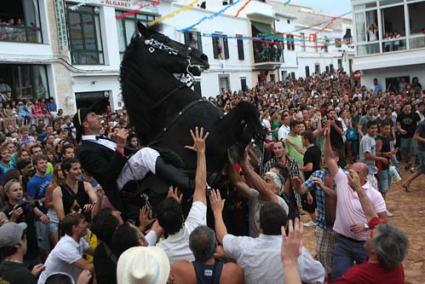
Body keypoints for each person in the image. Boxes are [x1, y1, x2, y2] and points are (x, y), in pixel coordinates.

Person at [74, 103, 194, 219]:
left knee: (153, 146)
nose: (98, 117)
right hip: (117, 183)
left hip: (124, 167)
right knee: (145, 154)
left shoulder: (100, 139)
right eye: (93, 115)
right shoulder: (85, 151)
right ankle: (187, 184)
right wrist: (120, 146)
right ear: (85, 124)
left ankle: (183, 171)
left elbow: (126, 152)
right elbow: (108, 175)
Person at [210, 189, 325, 284]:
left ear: (259, 225)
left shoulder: (244, 246)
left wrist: (217, 212)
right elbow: (319, 276)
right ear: (285, 226)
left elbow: (222, 236)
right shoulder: (296, 252)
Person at [323, 126, 388, 279]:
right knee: (339, 275)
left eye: (354, 173)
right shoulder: (341, 180)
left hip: (365, 246)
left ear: (364, 176)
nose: (349, 174)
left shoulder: (374, 195)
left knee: (364, 278)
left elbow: (384, 221)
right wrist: (326, 139)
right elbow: (329, 159)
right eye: (349, 171)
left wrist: (366, 226)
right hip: (342, 242)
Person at [334, 170, 407, 283]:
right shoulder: (396, 266)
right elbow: (370, 214)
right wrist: (358, 188)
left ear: (374, 250)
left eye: (371, 235)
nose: (369, 232)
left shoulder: (357, 275)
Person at [156, 127, 208, 263]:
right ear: (182, 215)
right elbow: (201, 187)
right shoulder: (196, 226)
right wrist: (201, 152)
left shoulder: (160, 251)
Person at [230, 147, 289, 237]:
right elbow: (237, 182)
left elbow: (265, 189)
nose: (262, 182)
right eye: (263, 179)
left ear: (276, 189)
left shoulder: (280, 203)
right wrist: (230, 159)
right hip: (254, 247)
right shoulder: (255, 196)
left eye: (267, 180)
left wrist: (245, 165)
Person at [170, 226, 244, 284]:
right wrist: (226, 255)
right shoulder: (233, 271)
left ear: (190, 248)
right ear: (215, 245)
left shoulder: (178, 269)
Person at [37, 213, 94, 284]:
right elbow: (88, 267)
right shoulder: (66, 247)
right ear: (74, 227)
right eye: (84, 222)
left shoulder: (80, 240)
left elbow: (94, 252)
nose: (87, 224)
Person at [52, 158, 101, 222]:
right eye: (75, 169)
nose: (79, 171)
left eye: (80, 168)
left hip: (86, 226)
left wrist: (92, 205)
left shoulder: (86, 185)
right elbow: (61, 217)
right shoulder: (58, 191)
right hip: (69, 228)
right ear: (66, 171)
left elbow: (95, 202)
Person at [300, 130, 321, 227]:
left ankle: (314, 221)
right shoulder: (317, 149)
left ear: (306, 140)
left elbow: (309, 167)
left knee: (310, 202)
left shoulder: (308, 152)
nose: (301, 141)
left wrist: (299, 167)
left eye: (302, 139)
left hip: (310, 180)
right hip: (318, 178)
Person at [359, 120, 386, 189]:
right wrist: (381, 158)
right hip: (366, 170)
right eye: (372, 128)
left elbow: (373, 153)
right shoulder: (366, 139)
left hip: (370, 169)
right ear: (367, 129)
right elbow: (367, 155)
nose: (374, 130)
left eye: (376, 128)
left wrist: (385, 154)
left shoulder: (372, 138)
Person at [402, 118, 425, 191]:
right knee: (422, 167)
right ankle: (406, 182)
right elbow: (415, 136)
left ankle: (407, 182)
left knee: (422, 168)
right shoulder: (422, 124)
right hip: (422, 150)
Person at [397, 103, 420, 172]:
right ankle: (408, 162)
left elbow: (419, 124)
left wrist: (418, 133)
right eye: (406, 107)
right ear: (404, 107)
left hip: (414, 135)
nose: (407, 108)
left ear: (410, 107)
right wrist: (400, 129)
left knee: (413, 150)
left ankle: (412, 166)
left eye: (408, 107)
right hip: (404, 136)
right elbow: (398, 124)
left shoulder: (415, 114)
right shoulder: (400, 115)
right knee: (404, 150)